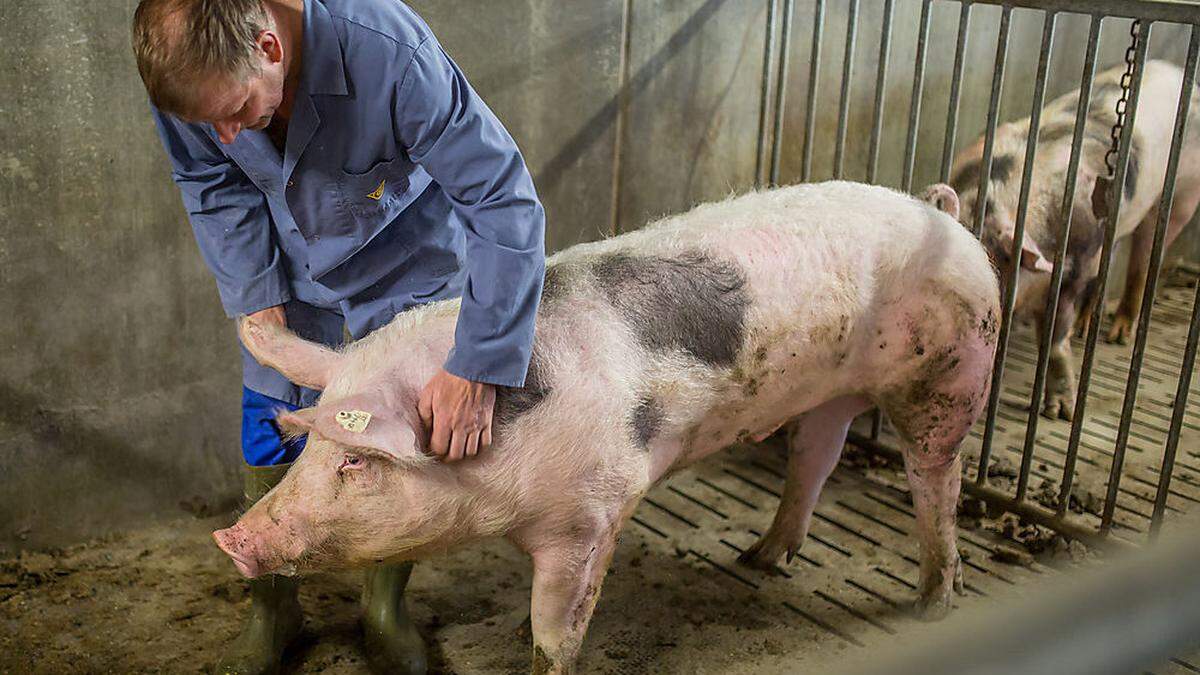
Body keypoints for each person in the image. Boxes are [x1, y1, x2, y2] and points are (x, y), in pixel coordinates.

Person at [131, 0, 546, 672]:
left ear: (270, 46)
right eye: (212, 123)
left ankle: (383, 607)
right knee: (269, 416)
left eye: (236, 112)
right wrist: (254, 291)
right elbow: (209, 178)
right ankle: (274, 606)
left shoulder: (391, 53)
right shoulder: (189, 74)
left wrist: (481, 360)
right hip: (286, 260)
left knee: (393, 431)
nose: (227, 135)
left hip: (405, 254)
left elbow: (502, 199)